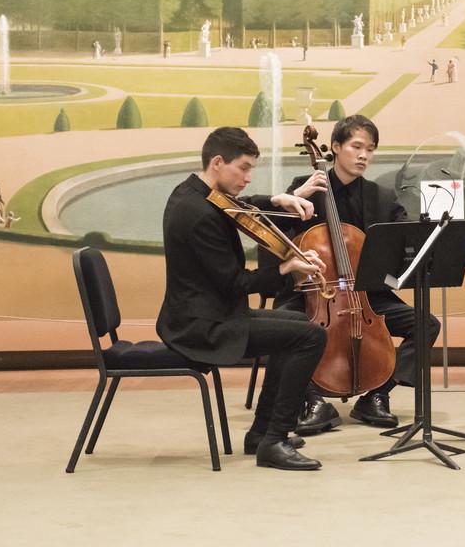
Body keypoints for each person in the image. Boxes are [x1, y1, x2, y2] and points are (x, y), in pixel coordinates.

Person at [157, 127, 328, 470]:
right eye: (244, 168)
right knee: (311, 336)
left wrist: (279, 199)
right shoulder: (198, 215)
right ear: (218, 162)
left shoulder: (194, 193)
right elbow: (236, 283)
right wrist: (287, 268)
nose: (248, 178)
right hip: (202, 327)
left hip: (208, 313)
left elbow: (239, 207)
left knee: (298, 325)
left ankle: (262, 432)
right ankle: (274, 440)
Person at [272, 115, 440, 435]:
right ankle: (313, 400)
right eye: (356, 146)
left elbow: (405, 245)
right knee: (279, 325)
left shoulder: (383, 198)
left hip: (367, 298)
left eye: (371, 149)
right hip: (313, 295)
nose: (364, 155)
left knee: (426, 323)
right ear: (335, 148)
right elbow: (276, 241)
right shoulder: (304, 188)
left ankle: (377, 395)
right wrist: (301, 200)